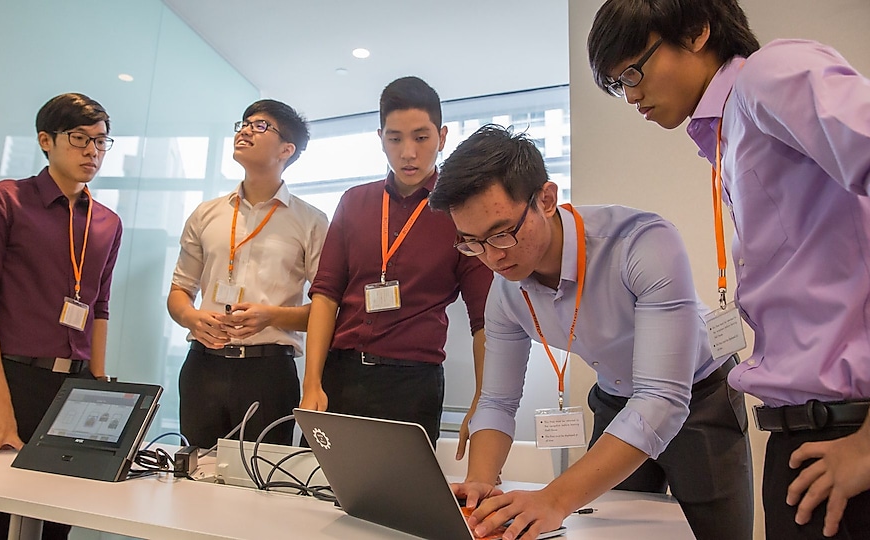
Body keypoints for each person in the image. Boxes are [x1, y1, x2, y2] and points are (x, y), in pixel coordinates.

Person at [588, 1, 870, 537]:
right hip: (802, 434)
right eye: (618, 83)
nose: (630, 96)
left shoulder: (768, 76)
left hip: (849, 430)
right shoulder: (731, 128)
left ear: (696, 32)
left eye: (633, 72)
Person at [429, 125, 752, 540]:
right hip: (617, 399)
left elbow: (662, 399)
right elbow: (496, 401)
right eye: (472, 242)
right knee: (612, 530)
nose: (492, 257)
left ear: (546, 199)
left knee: (716, 533)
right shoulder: (506, 291)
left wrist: (554, 498)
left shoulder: (640, 243)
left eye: (502, 233)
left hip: (701, 395)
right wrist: (480, 484)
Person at [0, 93, 122, 540]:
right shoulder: (0, 200)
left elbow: (99, 307)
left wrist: (99, 385)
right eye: (79, 138)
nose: (92, 151)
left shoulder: (107, 222)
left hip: (77, 387)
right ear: (45, 141)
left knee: (56, 520)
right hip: (11, 377)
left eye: (102, 142)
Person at [298, 76, 493, 447]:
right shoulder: (355, 202)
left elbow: (484, 319)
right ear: (380, 139)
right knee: (317, 492)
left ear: (443, 136)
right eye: (395, 138)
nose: (408, 152)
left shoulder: (461, 213)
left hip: (412, 385)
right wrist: (312, 383)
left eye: (421, 138)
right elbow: (325, 295)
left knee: (400, 500)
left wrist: (483, 401)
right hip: (341, 375)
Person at [168, 99, 327, 448]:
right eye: (244, 123)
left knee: (260, 483)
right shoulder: (206, 213)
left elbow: (327, 311)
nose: (244, 130)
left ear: (287, 149)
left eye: (260, 126)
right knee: (193, 477)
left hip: (268, 371)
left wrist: (272, 316)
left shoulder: (311, 221)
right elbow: (179, 292)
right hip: (202, 365)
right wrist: (193, 318)